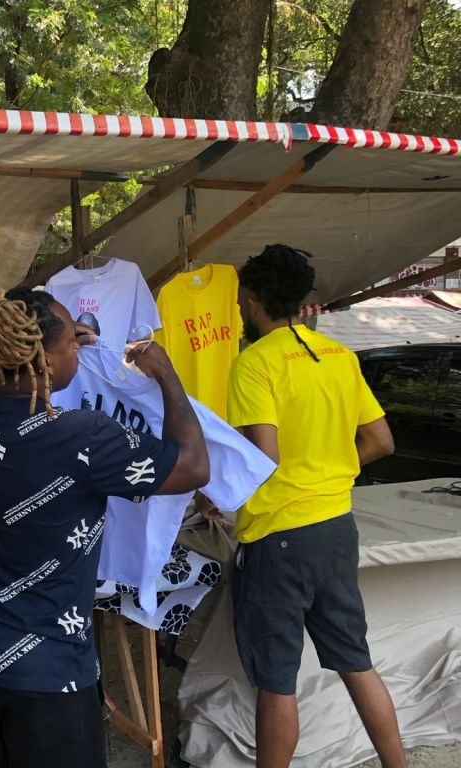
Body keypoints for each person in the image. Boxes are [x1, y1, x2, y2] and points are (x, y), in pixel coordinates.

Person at [0, 285, 209, 768]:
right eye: (69, 344)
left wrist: (45, 343)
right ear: (44, 363)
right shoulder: (84, 436)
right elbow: (193, 466)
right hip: (50, 673)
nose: (77, 349)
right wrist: (166, 375)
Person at [216, 244, 404, 768]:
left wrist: (219, 493)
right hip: (337, 527)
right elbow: (381, 441)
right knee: (356, 662)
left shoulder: (254, 362)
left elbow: (265, 458)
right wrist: (329, 471)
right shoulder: (340, 356)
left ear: (254, 301)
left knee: (277, 680)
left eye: (241, 301)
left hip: (279, 537)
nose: (240, 310)